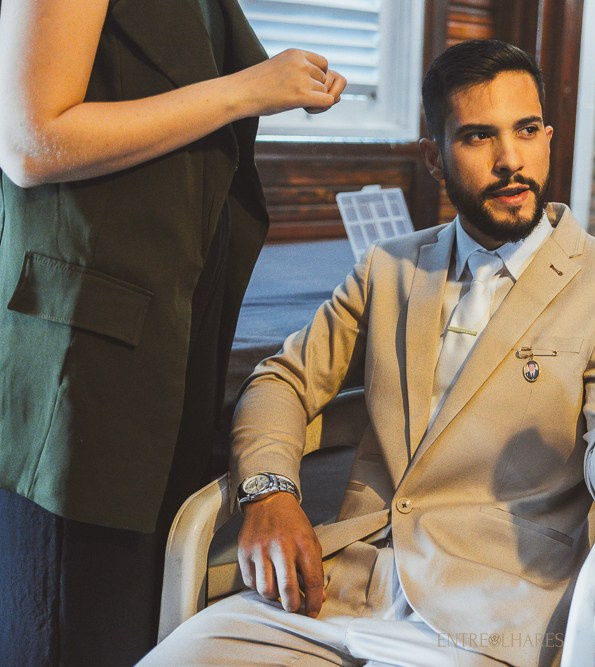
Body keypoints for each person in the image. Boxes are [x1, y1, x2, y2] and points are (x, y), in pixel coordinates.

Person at [143, 39, 595, 667]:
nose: (510, 160)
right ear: (434, 157)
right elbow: (282, 380)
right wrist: (269, 493)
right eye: (479, 136)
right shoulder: (389, 268)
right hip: (331, 592)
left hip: (488, 618)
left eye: (526, 130)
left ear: (548, 139)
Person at [0, 1, 346, 665]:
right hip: (88, 357)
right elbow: (30, 140)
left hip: (173, 338)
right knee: (77, 629)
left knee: (139, 628)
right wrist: (250, 89)